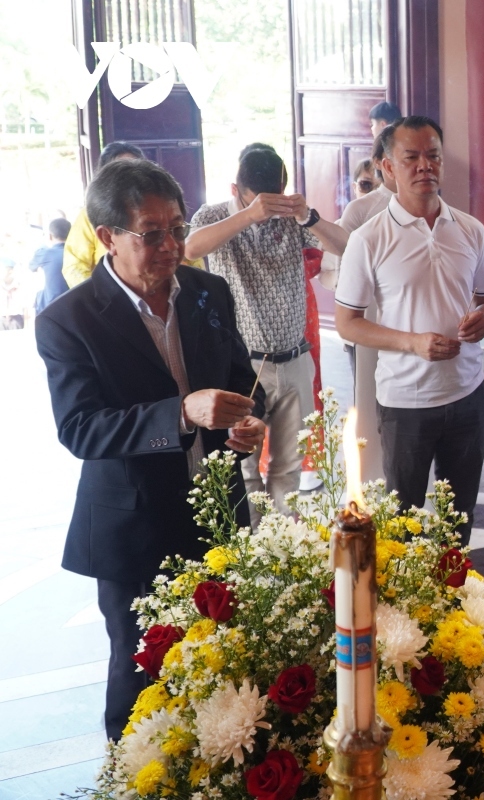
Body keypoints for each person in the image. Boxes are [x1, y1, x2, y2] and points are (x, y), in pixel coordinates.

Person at [34, 158, 266, 740]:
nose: (172, 245)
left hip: (218, 511)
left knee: (228, 663)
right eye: (153, 233)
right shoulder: (70, 320)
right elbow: (82, 428)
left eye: (179, 228)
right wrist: (181, 413)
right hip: (134, 524)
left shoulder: (209, 292)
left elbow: (238, 381)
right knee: (142, 679)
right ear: (109, 237)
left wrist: (243, 424)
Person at [335, 116, 484, 544]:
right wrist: (412, 343)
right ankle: (404, 613)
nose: (424, 166)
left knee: (457, 523)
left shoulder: (470, 229)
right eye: (411, 158)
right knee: (402, 526)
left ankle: (456, 606)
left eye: (433, 156)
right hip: (405, 403)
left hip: (467, 395)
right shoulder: (368, 239)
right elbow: (347, 323)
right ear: (388, 168)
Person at [185, 147, 343, 514]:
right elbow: (190, 247)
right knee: (244, 467)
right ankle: (253, 553)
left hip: (296, 358)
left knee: (289, 468)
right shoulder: (213, 215)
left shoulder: (292, 218)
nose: (268, 212)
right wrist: (248, 215)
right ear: (235, 188)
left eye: (274, 200)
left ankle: (281, 551)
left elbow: (346, 247)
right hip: (243, 366)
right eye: (260, 201)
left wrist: (307, 215)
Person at [63, 142, 204, 287]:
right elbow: (74, 265)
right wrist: (100, 295)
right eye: (151, 233)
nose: (169, 244)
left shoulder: (164, 209)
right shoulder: (89, 215)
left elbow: (192, 257)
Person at [31, 217, 71, 313]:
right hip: (73, 304)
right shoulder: (79, 254)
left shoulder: (44, 253)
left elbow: (31, 267)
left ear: (50, 236)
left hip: (50, 306)